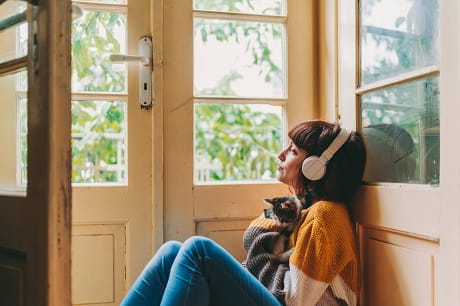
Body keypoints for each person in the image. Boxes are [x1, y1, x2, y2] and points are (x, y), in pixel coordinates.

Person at [121, 120, 366, 306]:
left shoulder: (325, 216)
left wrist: (260, 255)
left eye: (293, 150)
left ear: (315, 167)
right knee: (171, 252)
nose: (280, 154)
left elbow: (294, 299)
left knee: (199, 252)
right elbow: (257, 237)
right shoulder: (304, 207)